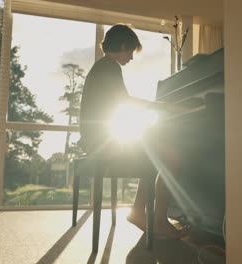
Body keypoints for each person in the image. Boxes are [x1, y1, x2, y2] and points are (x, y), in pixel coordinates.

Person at [79, 24, 188, 239]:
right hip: (102, 142)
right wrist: (166, 107)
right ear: (122, 45)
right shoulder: (109, 67)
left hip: (97, 140)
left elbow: (117, 104)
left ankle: (139, 212)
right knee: (172, 156)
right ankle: (158, 221)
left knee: (155, 153)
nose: (130, 57)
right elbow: (124, 101)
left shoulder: (101, 67)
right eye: (130, 51)